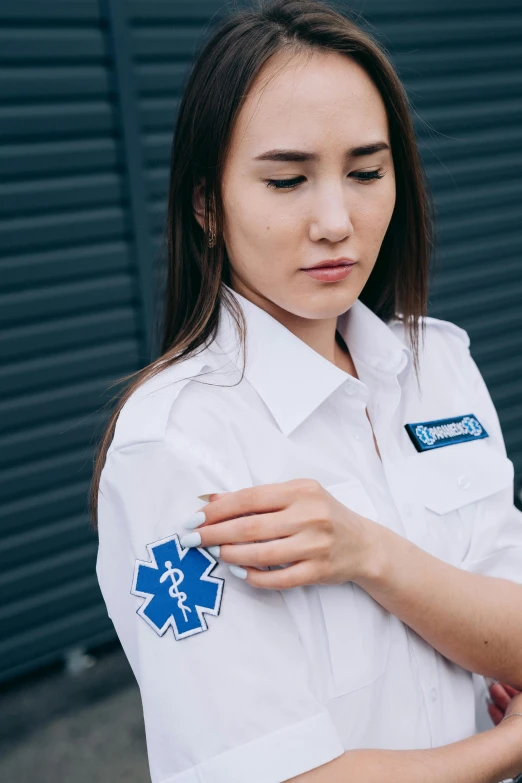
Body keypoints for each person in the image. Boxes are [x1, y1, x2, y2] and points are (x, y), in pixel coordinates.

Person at [91, 1, 522, 781]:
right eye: (287, 179)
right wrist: (507, 746)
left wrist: (370, 554)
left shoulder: (439, 367)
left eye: (366, 172)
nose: (336, 220)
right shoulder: (179, 446)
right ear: (205, 204)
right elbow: (268, 773)